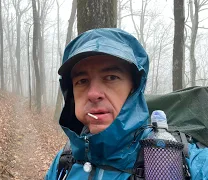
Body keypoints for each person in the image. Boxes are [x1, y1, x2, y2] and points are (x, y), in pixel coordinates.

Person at [45, 28, 208, 180]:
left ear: (134, 88)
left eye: (111, 77)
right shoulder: (63, 163)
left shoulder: (190, 163)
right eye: (82, 81)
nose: (93, 94)